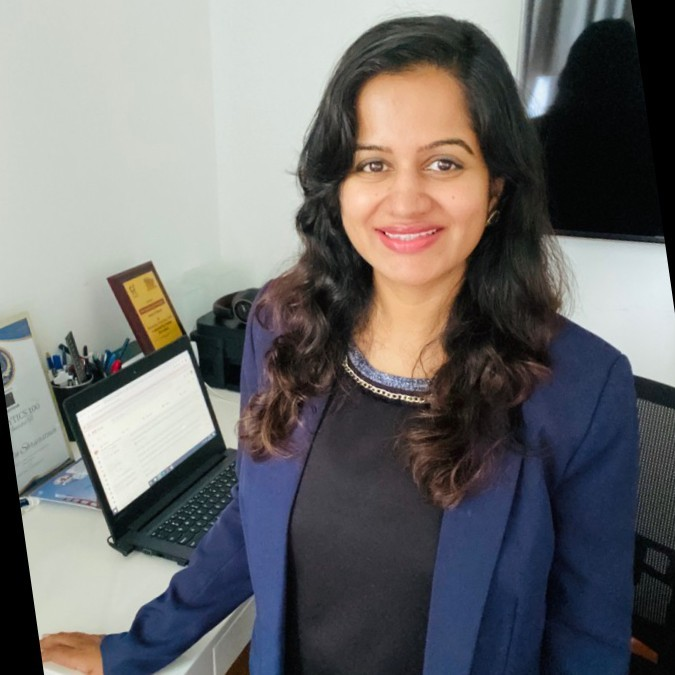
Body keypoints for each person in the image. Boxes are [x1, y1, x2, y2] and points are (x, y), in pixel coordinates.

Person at [40, 14, 639, 675]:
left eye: (444, 162)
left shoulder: (581, 390)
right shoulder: (282, 326)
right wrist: (136, 646)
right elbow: (252, 517)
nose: (404, 200)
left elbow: (587, 639)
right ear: (338, 186)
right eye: (372, 163)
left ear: (495, 188)